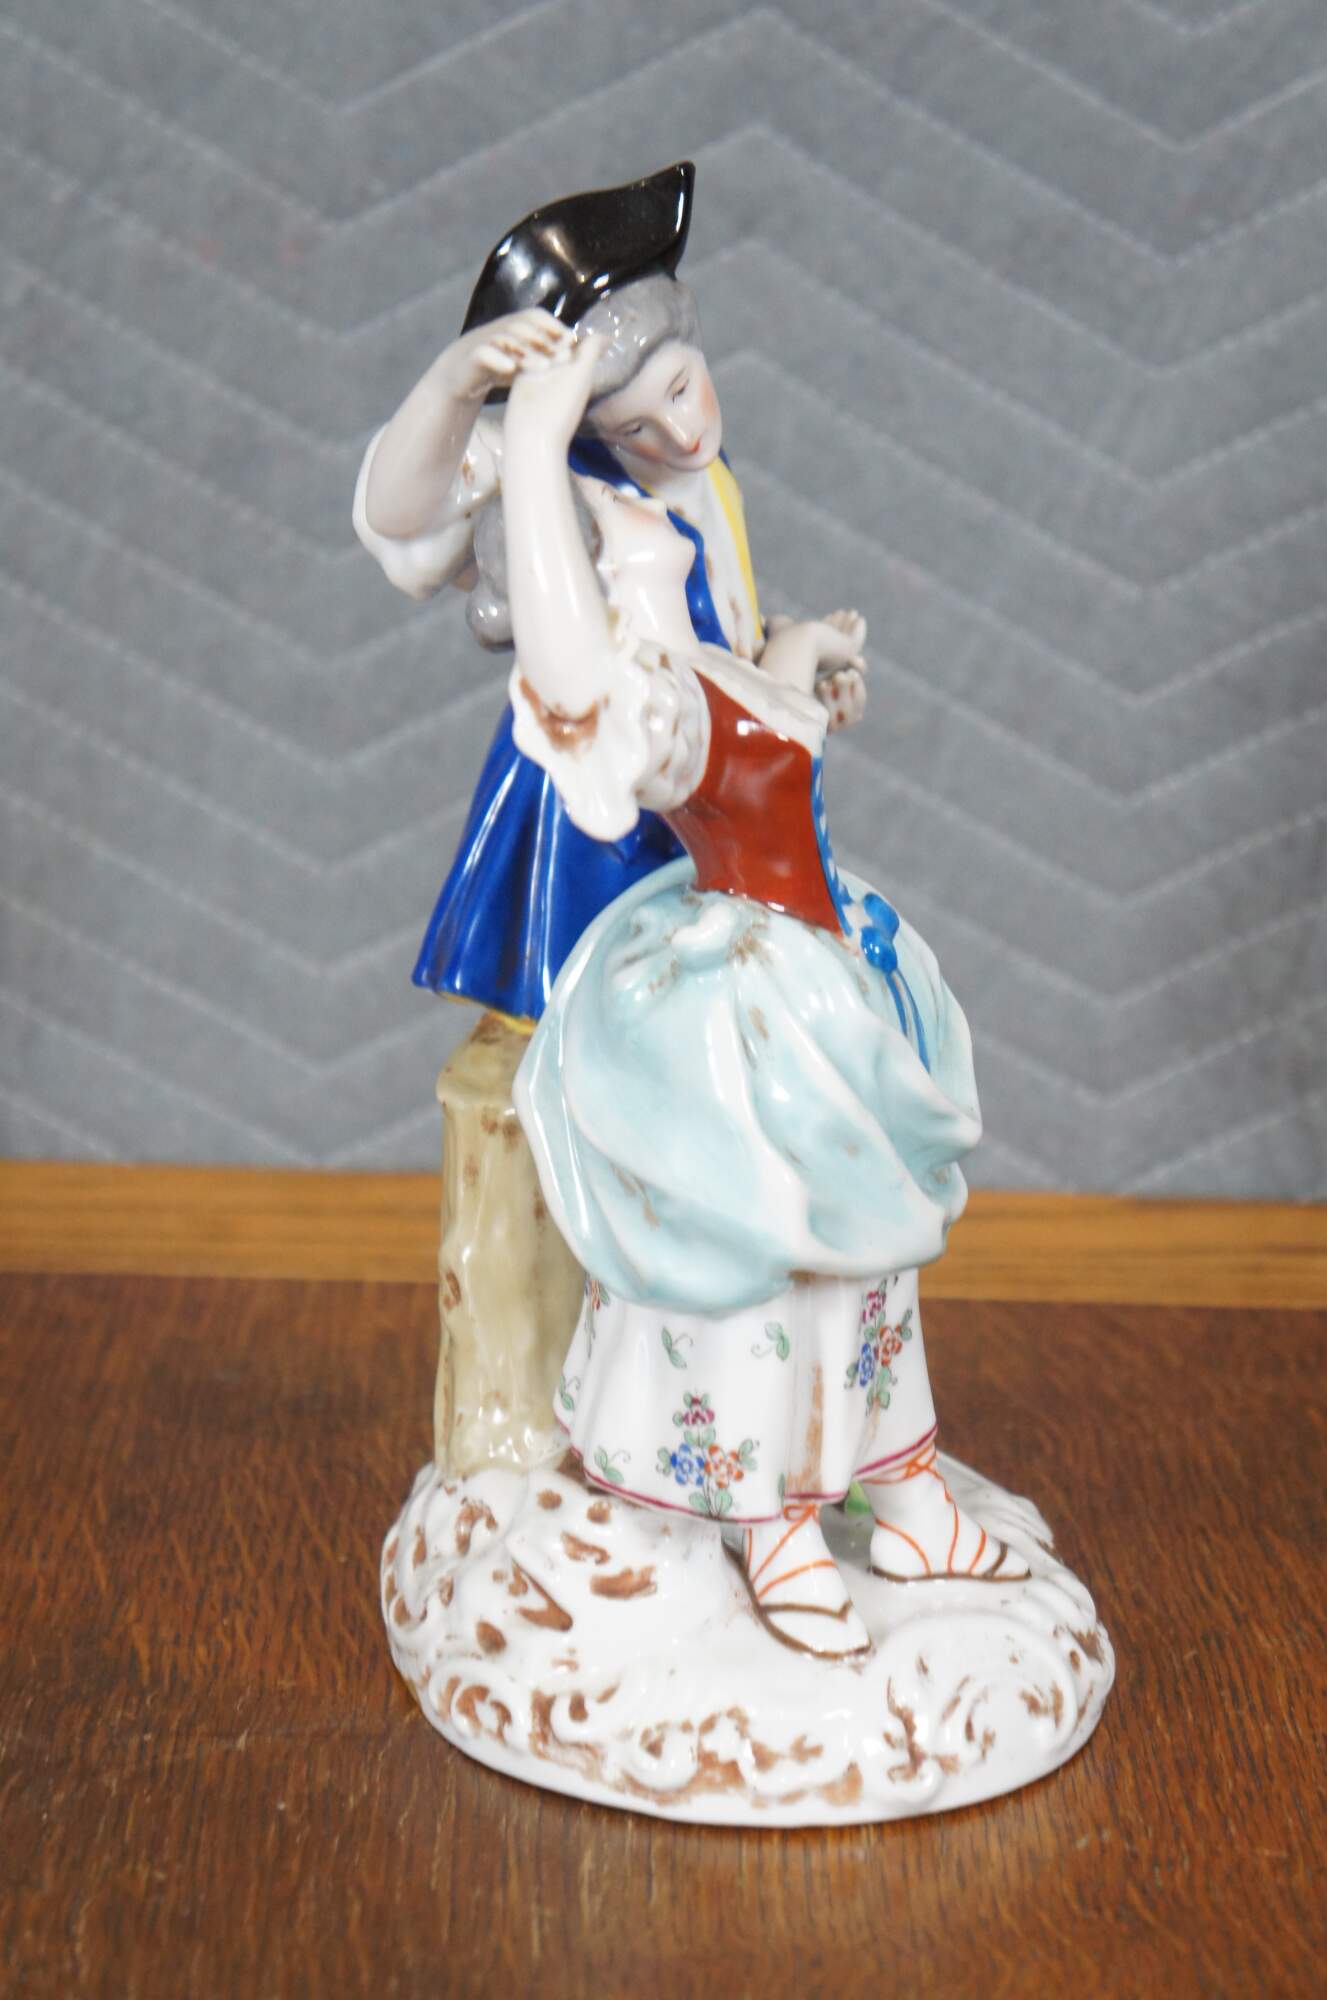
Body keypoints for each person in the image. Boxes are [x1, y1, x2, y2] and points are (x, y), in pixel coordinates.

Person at [501, 330, 1028, 1663]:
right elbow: (580, 687)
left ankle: (904, 1497)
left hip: (825, 976)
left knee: (867, 1246)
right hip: (746, 1005)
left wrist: (809, 653)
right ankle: (772, 1523)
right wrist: (533, 446)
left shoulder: (726, 658)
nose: (672, 488)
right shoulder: (660, 706)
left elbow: (773, 701)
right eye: (633, 517)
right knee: (758, 1258)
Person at [355, 163, 771, 1022]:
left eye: (682, 389)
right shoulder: (561, 474)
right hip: (597, 791)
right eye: (634, 426)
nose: (681, 432)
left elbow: (728, 628)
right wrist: (454, 384)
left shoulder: (708, 476)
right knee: (599, 1007)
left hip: (705, 776)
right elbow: (399, 514)